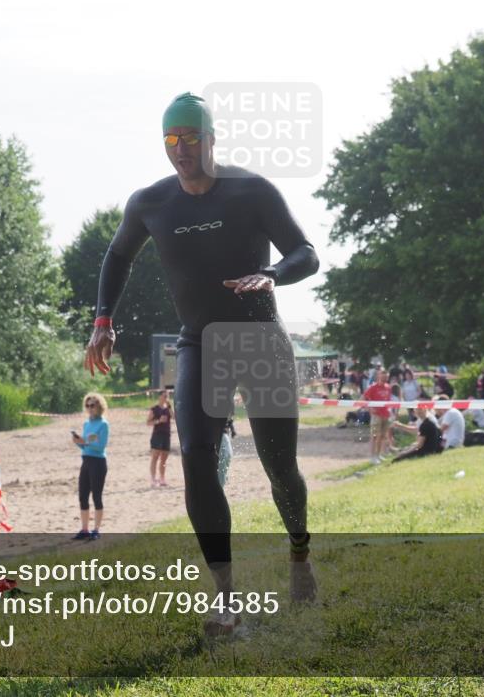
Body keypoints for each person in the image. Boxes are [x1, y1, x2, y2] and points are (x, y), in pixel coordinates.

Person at [82, 93, 320, 634]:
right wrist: (103, 320)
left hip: (260, 340)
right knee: (194, 452)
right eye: (171, 140)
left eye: (191, 137)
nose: (181, 149)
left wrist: (273, 275)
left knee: (281, 467)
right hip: (200, 343)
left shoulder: (252, 190)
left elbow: (306, 252)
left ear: (211, 138)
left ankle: (300, 554)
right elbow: (117, 255)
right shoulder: (151, 202)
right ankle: (226, 598)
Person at [72, 393, 109, 540]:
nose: (89, 408)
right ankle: (84, 529)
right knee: (82, 496)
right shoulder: (87, 424)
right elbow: (85, 447)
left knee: (97, 496)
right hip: (86, 461)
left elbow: (101, 447)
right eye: (87, 406)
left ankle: (96, 530)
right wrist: (78, 442)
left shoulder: (103, 424)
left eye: (92, 405)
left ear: (99, 406)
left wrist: (85, 442)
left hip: (98, 463)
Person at [363, 369, 394, 464]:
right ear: (378, 376)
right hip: (376, 415)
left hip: (386, 414)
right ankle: (372, 456)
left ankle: (378, 454)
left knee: (383, 436)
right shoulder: (372, 387)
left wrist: (391, 411)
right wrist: (369, 408)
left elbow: (389, 401)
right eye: (383, 376)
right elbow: (363, 399)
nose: (385, 379)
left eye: (386, 377)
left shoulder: (388, 387)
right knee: (375, 436)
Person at [146, 389, 174, 488]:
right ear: (160, 397)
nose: (166, 398)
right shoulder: (154, 409)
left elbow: (174, 417)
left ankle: (162, 478)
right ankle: (153, 479)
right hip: (157, 435)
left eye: (167, 396)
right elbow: (148, 422)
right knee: (155, 457)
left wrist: (170, 406)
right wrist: (158, 421)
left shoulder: (168, 409)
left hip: (166, 435)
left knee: (164, 458)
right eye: (164, 396)